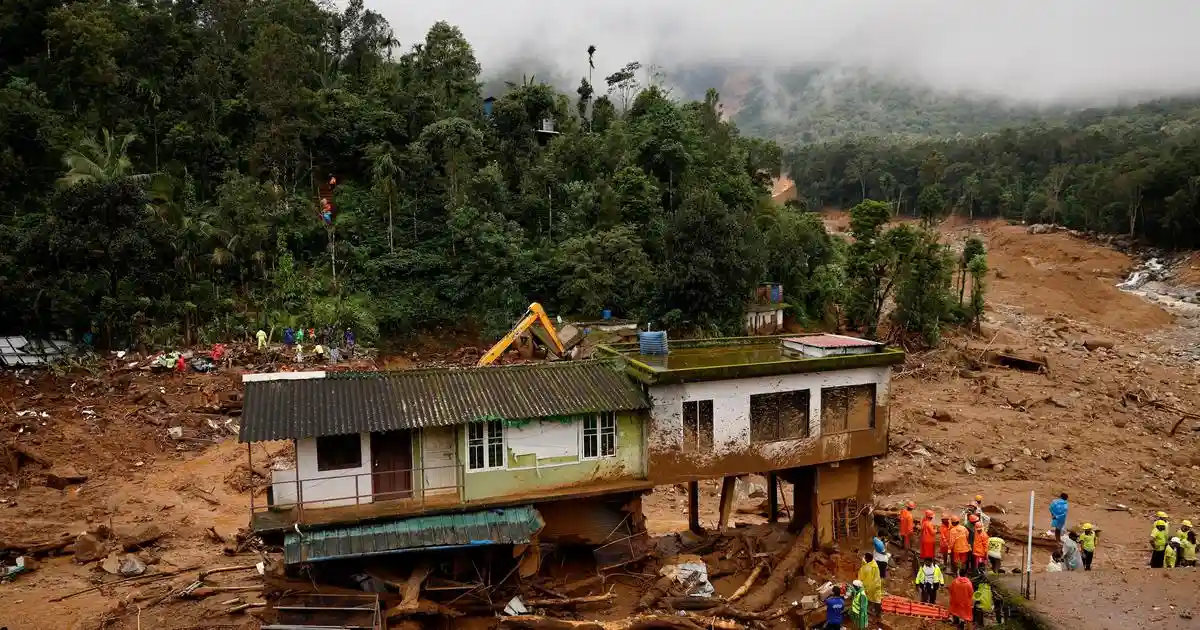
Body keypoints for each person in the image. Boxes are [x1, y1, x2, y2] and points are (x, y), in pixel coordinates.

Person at [857, 553, 883, 626]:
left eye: (865, 558)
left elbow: (860, 579)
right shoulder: (874, 564)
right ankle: (878, 613)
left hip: (868, 587)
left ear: (867, 559)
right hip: (876, 585)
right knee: (877, 599)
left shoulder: (865, 569)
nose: (864, 559)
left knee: (866, 598)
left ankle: (865, 612)